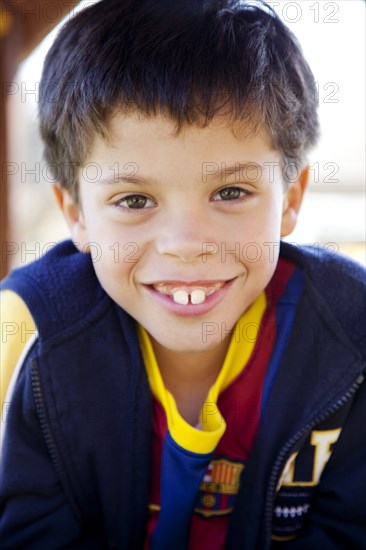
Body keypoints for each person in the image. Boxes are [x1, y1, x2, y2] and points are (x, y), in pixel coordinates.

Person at [1, 0, 365, 548]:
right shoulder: (33, 338)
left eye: (231, 192)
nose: (187, 245)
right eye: (134, 199)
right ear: (75, 212)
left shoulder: (348, 335)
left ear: (290, 199)